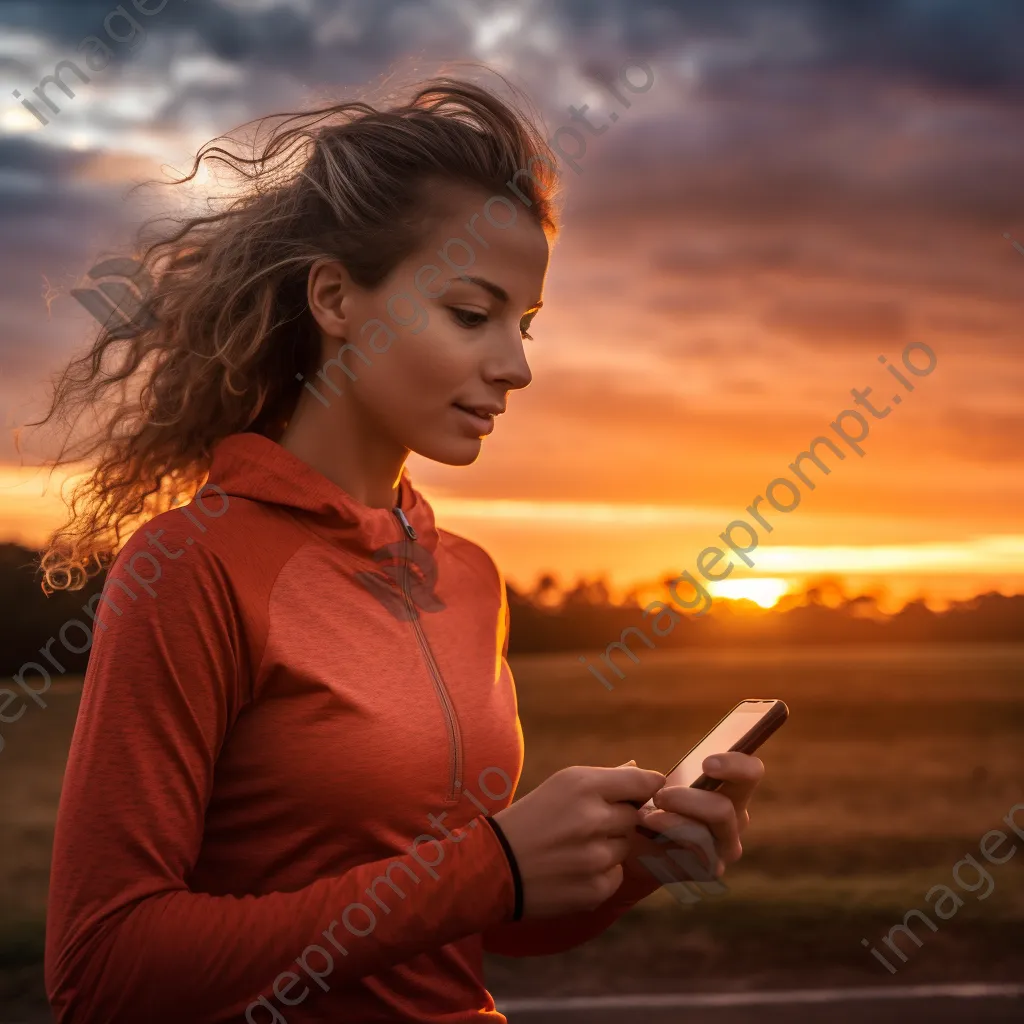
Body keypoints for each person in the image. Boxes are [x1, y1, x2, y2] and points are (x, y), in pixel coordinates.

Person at [40, 72, 765, 1023]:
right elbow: (103, 973)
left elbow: (461, 925)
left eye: (527, 323)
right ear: (336, 298)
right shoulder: (191, 567)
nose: (517, 365)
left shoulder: (469, 578)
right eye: (472, 314)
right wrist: (489, 864)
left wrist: (623, 867)